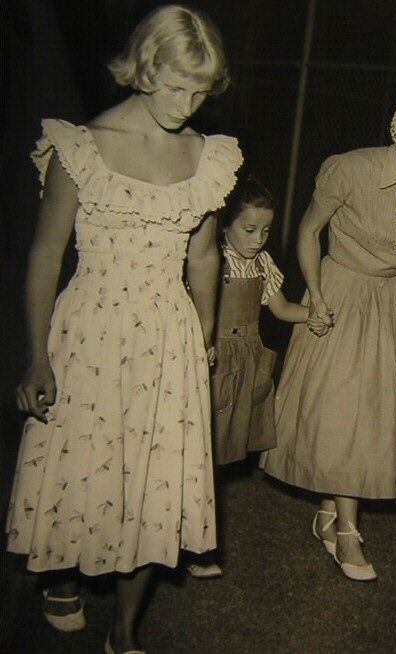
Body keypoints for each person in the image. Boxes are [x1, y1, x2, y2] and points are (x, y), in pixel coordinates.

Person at [6, 6, 242, 654]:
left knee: (155, 474)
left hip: (167, 334)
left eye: (199, 91)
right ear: (144, 68)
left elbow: (203, 256)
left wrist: (206, 330)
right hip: (90, 331)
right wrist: (37, 358)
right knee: (84, 461)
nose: (186, 103)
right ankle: (64, 577)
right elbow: (45, 254)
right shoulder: (84, 146)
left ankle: (127, 629)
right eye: (174, 85)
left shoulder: (206, 156)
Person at [261, 95, 396, 581]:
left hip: (395, 300)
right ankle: (348, 534)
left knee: (374, 415)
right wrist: (315, 294)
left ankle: (332, 510)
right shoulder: (349, 170)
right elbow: (308, 232)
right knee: (345, 412)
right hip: (343, 292)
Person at [187, 174, 311, 579]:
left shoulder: (262, 264)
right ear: (225, 224)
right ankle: (191, 544)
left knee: (219, 458)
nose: (258, 238)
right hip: (215, 359)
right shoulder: (211, 260)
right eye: (249, 229)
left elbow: (282, 309)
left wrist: (318, 313)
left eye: (266, 230)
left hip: (247, 364)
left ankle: (197, 542)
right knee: (199, 454)